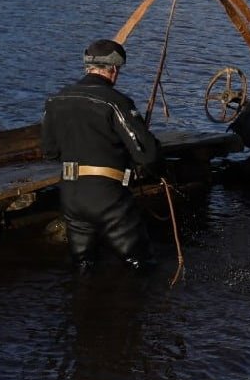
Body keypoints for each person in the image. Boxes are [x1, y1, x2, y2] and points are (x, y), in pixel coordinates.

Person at [40, 38, 161, 272]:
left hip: (70, 195)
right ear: (114, 69)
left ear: (88, 66)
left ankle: (83, 304)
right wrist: (157, 170)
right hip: (108, 198)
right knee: (141, 265)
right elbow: (147, 154)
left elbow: (49, 152)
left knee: (84, 265)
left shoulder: (55, 101)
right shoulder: (116, 102)